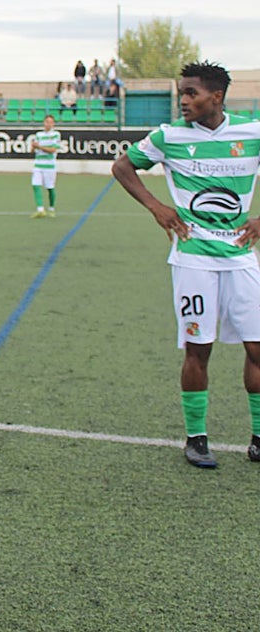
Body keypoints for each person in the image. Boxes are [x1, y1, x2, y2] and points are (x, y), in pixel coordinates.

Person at [111, 62, 260, 468]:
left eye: (191, 93)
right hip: (193, 258)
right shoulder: (169, 136)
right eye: (182, 93)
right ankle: (197, 438)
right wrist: (156, 206)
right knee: (199, 348)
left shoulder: (251, 131)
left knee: (257, 347)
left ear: (217, 96)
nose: (184, 100)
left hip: (241, 257)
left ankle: (259, 436)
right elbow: (123, 166)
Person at [29, 114, 61, 218]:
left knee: (50, 188)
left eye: (51, 122)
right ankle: (40, 209)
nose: (48, 124)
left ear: (53, 124)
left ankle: (51, 208)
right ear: (44, 122)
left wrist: (40, 146)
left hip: (49, 166)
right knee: (35, 185)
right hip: (38, 164)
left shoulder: (56, 134)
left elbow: (53, 150)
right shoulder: (38, 135)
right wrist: (33, 147)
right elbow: (32, 151)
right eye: (47, 122)